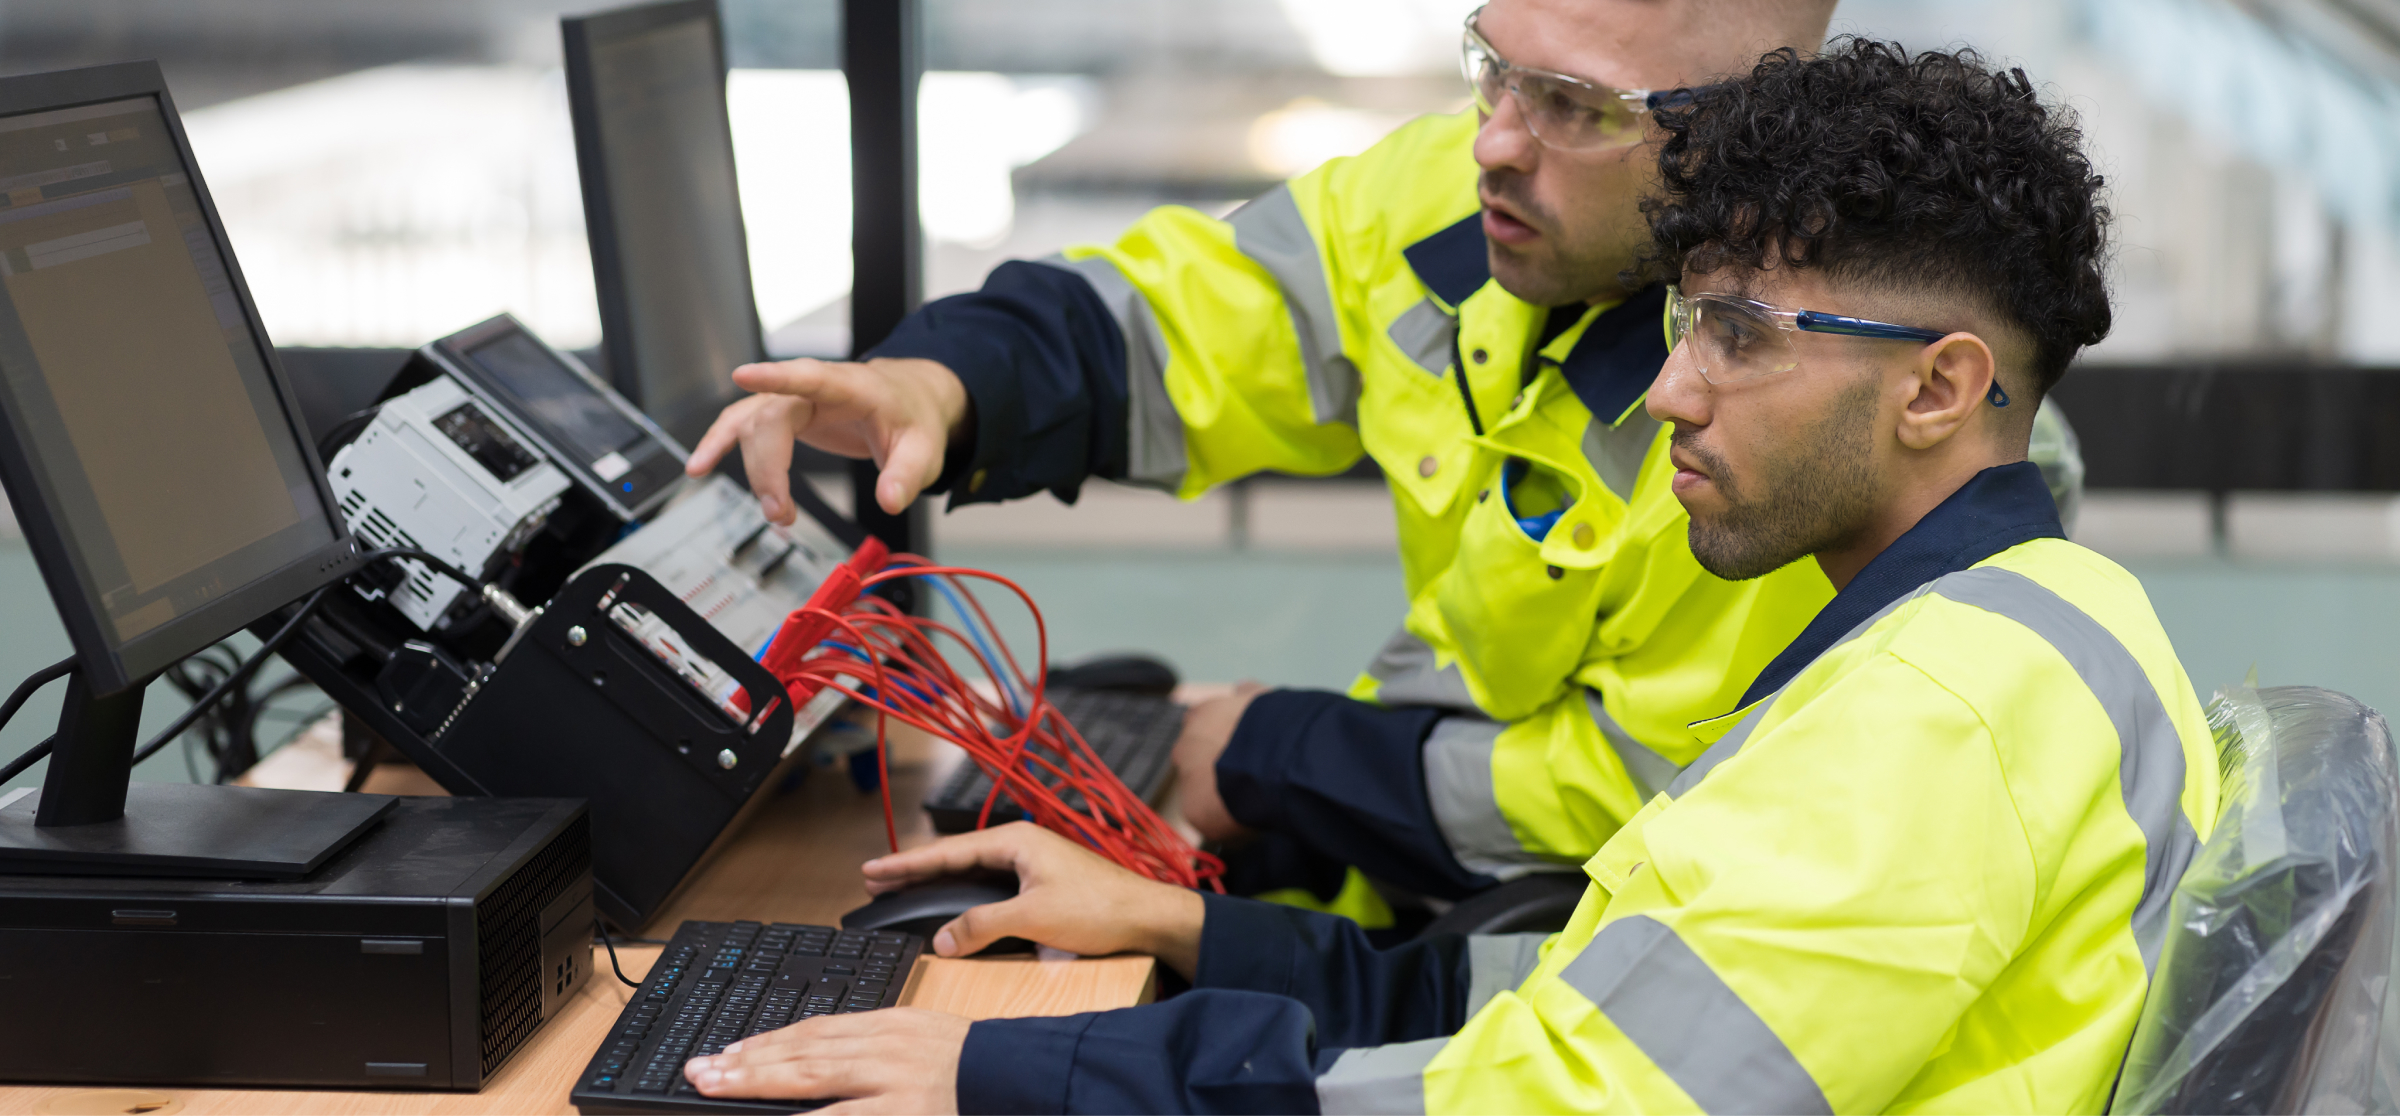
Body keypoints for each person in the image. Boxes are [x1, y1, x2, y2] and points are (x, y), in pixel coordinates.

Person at [680, 39, 2217, 1114]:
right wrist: (1191, 942)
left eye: (1740, 336)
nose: (1673, 392)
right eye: (1686, 324)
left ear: (1941, 389)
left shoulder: (1929, 723)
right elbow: (1581, 1027)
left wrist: (1017, 1073)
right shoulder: (1994, 633)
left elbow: (1564, 1099)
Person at [685, 0, 1884, 917]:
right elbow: (1196, 322)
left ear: (1739, 136)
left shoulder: (1799, 431)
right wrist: (943, 382)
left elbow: (1632, 805)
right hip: (1420, 869)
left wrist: (1277, 760)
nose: (1495, 145)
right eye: (1493, 66)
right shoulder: (1453, 199)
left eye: (1574, 105)